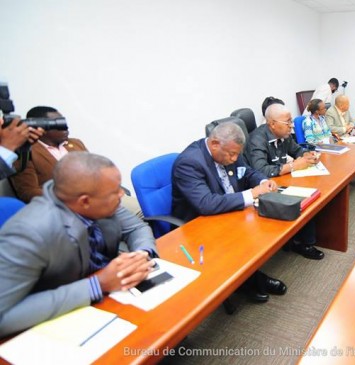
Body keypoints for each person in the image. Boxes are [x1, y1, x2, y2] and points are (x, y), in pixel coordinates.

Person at [0, 152, 157, 336]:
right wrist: (97, 285)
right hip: (58, 319)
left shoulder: (99, 200)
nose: (121, 195)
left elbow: (136, 228)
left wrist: (140, 255)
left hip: (112, 297)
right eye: (116, 191)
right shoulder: (29, 232)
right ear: (85, 201)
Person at [171, 122, 287, 303]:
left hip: (226, 210)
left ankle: (248, 276)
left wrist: (263, 181)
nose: (234, 159)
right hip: (198, 223)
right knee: (243, 232)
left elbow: (247, 172)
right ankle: (247, 282)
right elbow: (205, 203)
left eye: (237, 154)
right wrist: (252, 193)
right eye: (231, 154)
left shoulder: (229, 150)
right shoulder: (189, 162)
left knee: (266, 224)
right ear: (215, 144)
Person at [8, 106, 143, 217]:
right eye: (57, 123)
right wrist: (71, 196)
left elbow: (97, 172)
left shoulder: (75, 144)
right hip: (69, 208)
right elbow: (28, 192)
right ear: (41, 128)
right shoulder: (26, 152)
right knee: (136, 219)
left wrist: (111, 188)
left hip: (104, 197)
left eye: (63, 121)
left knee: (145, 213)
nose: (65, 127)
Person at [245, 104, 325, 260]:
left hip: (280, 181)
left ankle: (299, 240)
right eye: (287, 122)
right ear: (272, 124)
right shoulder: (257, 139)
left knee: (313, 190)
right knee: (303, 196)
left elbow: (296, 150)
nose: (292, 125)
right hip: (264, 187)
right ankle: (302, 243)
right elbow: (260, 170)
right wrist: (294, 165)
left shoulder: (284, 135)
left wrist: (308, 155)